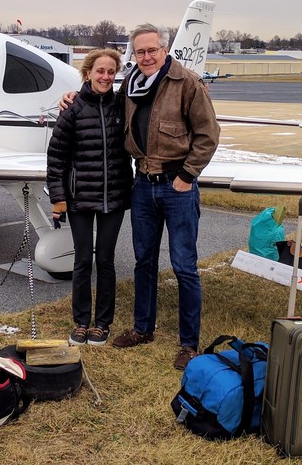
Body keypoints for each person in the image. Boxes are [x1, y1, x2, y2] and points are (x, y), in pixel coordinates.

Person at [60, 25, 220, 369]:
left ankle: (189, 343)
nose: (146, 57)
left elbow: (209, 134)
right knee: (143, 262)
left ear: (164, 50)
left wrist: (187, 176)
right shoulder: (132, 85)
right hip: (143, 185)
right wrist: (72, 96)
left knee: (183, 266)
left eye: (152, 50)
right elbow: (100, 101)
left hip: (177, 184)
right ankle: (142, 328)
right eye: (140, 52)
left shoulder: (187, 83)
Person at [46, 49, 132, 346]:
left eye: (111, 72)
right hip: (80, 198)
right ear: (88, 73)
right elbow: (56, 158)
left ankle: (102, 323)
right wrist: (58, 199)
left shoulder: (122, 106)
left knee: (105, 260)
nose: (106, 77)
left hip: (114, 197)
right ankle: (81, 321)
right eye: (100, 71)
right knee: (83, 260)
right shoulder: (72, 108)